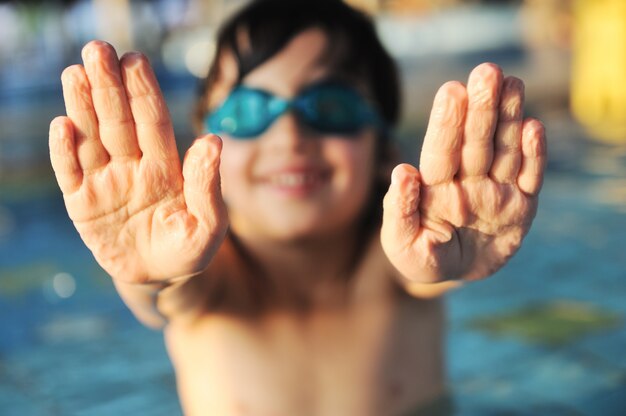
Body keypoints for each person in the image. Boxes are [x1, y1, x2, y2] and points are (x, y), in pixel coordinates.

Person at [48, 0, 546, 414]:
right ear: (202, 144)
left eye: (329, 108)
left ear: (383, 151)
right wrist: (146, 273)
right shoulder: (210, 276)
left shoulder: (400, 260)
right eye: (247, 112)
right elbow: (164, 293)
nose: (290, 135)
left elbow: (429, 265)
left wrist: (461, 254)